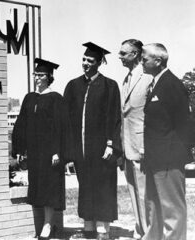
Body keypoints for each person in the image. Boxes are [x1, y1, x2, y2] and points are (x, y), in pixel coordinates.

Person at [64, 42, 122, 240]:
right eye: (84, 59)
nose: (85, 63)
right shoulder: (73, 86)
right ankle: (88, 226)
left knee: (103, 186)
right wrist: (69, 150)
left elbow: (114, 117)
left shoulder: (109, 86)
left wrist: (110, 144)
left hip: (101, 148)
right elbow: (67, 121)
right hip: (81, 149)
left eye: (90, 60)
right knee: (86, 185)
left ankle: (103, 229)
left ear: (99, 63)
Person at [12, 58, 74, 239]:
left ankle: (48, 224)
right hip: (34, 151)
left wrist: (57, 151)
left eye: (41, 75)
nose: (37, 78)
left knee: (49, 188)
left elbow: (60, 127)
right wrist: (19, 148)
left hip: (50, 153)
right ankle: (42, 225)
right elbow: (21, 124)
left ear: (49, 77)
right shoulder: (29, 98)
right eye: (36, 74)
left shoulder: (56, 99)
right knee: (38, 187)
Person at [141, 43, 192, 240]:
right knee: (154, 207)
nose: (142, 63)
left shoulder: (172, 85)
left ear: (158, 60)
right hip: (155, 158)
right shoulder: (156, 84)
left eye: (145, 59)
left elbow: (185, 124)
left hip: (168, 159)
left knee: (172, 210)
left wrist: (176, 155)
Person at [118, 39, 152, 239]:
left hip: (142, 145)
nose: (119, 57)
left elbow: (153, 114)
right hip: (127, 145)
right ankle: (140, 229)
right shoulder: (126, 79)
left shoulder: (147, 78)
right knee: (133, 190)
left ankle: (150, 231)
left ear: (136, 54)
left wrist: (148, 143)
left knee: (145, 192)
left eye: (124, 53)